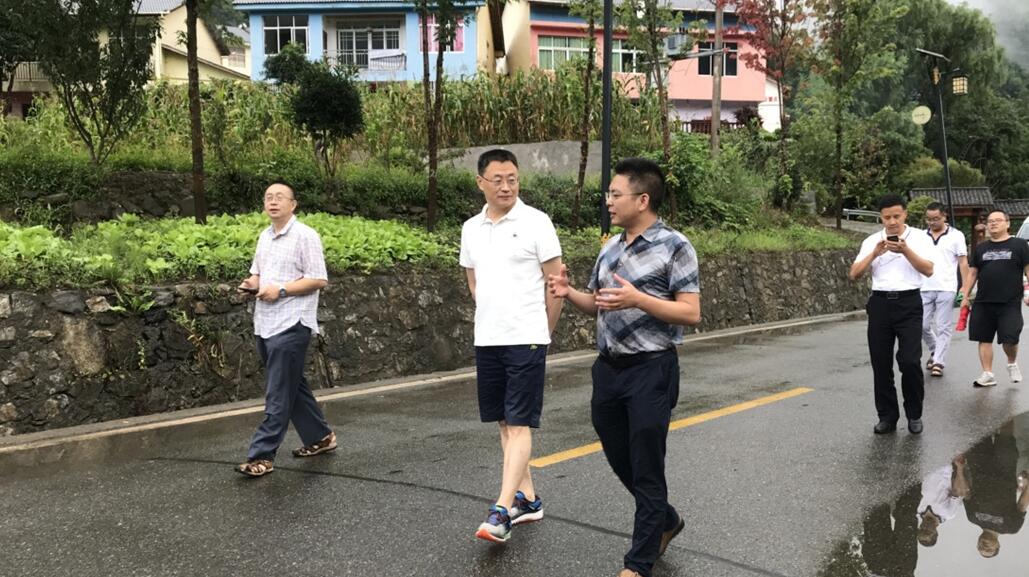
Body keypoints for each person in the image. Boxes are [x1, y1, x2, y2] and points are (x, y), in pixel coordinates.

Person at [548, 158, 701, 577]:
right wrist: (569, 292)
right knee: (621, 459)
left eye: (616, 194)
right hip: (608, 369)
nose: (609, 201)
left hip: (651, 369)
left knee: (647, 464)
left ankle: (638, 562)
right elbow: (598, 304)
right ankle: (666, 519)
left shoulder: (675, 246)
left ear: (643, 199)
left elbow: (690, 313)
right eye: (609, 194)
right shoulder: (611, 247)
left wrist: (640, 300)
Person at [459, 149, 564, 543]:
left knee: (518, 423)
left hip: (526, 337)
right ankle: (529, 500)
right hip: (488, 337)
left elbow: (556, 284)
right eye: (497, 179)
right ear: (481, 183)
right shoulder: (471, 228)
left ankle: (501, 510)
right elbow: (474, 281)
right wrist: (494, 314)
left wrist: (541, 330)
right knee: (504, 421)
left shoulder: (537, 222)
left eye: (512, 179)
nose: (506, 186)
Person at [236, 181, 335, 478]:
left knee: (278, 390)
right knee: (292, 384)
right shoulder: (264, 236)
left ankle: (262, 455)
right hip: (265, 322)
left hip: (292, 322)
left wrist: (280, 290)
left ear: (293, 204)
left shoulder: (306, 236)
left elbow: (318, 279)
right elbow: (257, 274)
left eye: (280, 197)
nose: (273, 201)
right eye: (268, 197)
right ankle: (320, 437)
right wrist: (250, 284)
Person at [849, 194, 935, 435]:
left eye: (897, 216)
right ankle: (887, 416)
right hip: (880, 303)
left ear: (905, 214)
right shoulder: (871, 241)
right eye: (887, 217)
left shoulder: (920, 238)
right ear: (881, 218)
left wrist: (905, 250)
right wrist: (874, 254)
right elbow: (854, 274)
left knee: (909, 361)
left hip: (909, 302)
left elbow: (928, 270)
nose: (892, 221)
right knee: (880, 363)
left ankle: (914, 414)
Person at [960, 210, 1029, 387]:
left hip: (1010, 302)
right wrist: (965, 295)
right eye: (990, 221)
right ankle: (988, 373)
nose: (993, 224)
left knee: (1010, 339)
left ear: (1007, 223)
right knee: (984, 338)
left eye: (998, 220)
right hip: (983, 301)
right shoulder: (981, 248)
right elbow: (972, 273)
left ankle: (1011, 363)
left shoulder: (1020, 245)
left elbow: (1028, 269)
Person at [962, 420, 1028, 558]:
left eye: (980, 548)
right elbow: (1022, 504)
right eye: (989, 550)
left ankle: (983, 406)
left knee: (979, 429)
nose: (984, 547)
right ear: (998, 545)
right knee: (1005, 433)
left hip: (979, 466)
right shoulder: (1011, 527)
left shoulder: (972, 517)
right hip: (1005, 468)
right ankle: (1005, 407)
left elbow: (966, 491)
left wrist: (960, 469)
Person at [920, 202, 969, 377]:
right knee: (922, 325)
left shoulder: (956, 235)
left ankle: (938, 361)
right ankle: (935, 349)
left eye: (936, 219)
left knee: (943, 326)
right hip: (924, 286)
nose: (932, 222)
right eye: (929, 219)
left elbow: (963, 262)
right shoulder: (920, 236)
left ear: (944, 216)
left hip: (947, 287)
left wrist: (965, 287)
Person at [916, 458, 969, 548]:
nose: (924, 528)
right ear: (936, 533)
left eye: (921, 530)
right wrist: (959, 468)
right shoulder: (948, 514)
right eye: (927, 532)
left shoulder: (918, 510)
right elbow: (957, 490)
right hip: (945, 465)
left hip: (927, 463)